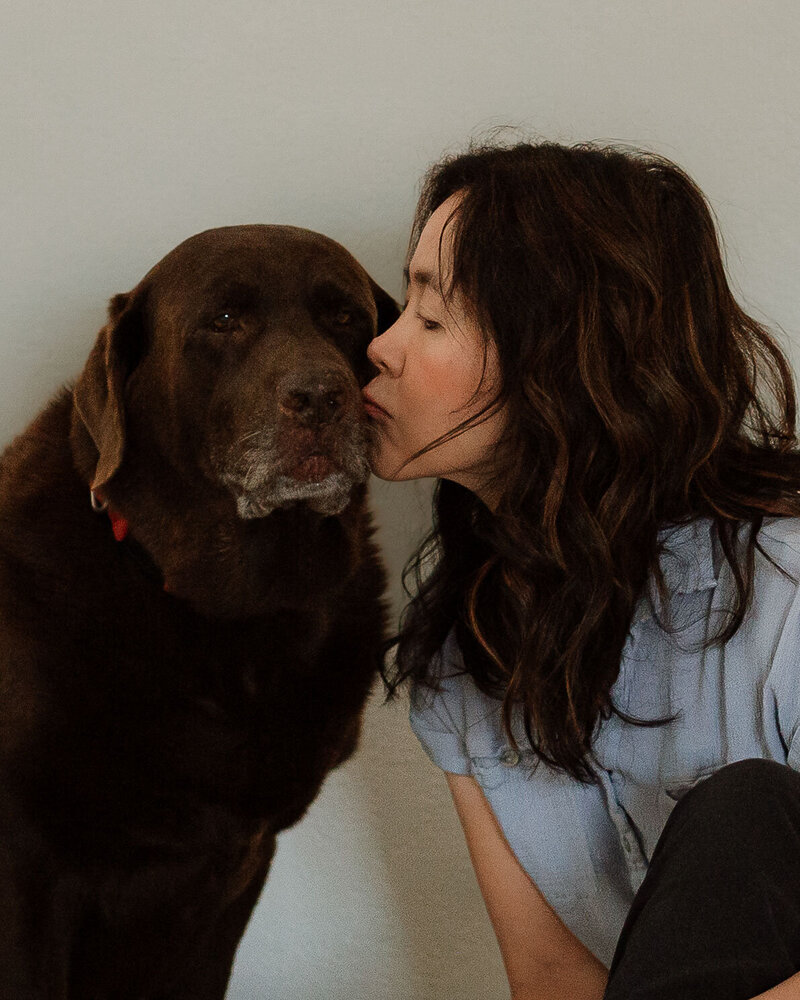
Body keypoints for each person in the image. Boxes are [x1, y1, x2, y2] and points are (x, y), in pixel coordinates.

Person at [362, 139, 800, 1000]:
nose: (381, 346)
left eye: (432, 315)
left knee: (743, 811)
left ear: (562, 359)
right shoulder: (466, 668)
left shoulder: (786, 586)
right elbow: (554, 977)